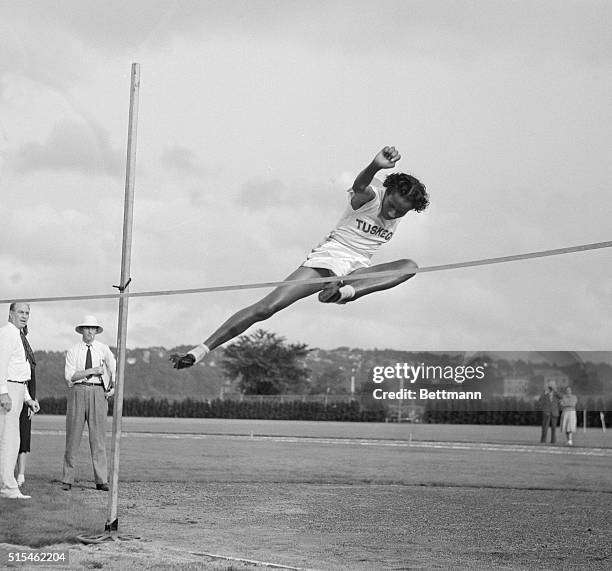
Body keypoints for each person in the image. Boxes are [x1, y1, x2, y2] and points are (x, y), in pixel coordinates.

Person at [170, 146, 429, 369]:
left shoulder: (397, 213)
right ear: (388, 192)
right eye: (392, 206)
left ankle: (340, 293)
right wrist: (374, 165)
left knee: (409, 266)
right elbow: (360, 184)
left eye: (401, 213)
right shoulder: (371, 196)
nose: (393, 214)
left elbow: (394, 238)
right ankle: (200, 351)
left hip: (356, 271)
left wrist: (347, 284)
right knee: (265, 308)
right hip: (328, 260)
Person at [61, 316, 115, 492]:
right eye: (87, 328)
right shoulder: (73, 350)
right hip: (77, 391)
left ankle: (101, 480)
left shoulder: (103, 349)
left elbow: (114, 369)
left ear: (96, 331)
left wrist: (112, 386)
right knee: (73, 437)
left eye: (93, 328)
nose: (90, 331)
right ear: (81, 330)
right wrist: (92, 371)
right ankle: (67, 479)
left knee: (98, 438)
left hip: (98, 392)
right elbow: (70, 376)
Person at [0, 303, 40, 499]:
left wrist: (28, 399)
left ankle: (8, 484)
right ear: (10, 314)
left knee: (13, 439)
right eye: (21, 312)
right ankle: (8, 487)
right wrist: (3, 392)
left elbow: (19, 371)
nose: (24, 316)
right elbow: (2, 363)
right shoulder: (8, 333)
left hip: (16, 387)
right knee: (7, 439)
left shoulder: (19, 335)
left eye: (27, 313)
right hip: (8, 388)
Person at [15, 324, 37, 486]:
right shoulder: (11, 349)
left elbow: (31, 382)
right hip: (12, 395)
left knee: (24, 436)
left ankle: (21, 475)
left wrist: (31, 401)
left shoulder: (29, 354)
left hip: (26, 399)